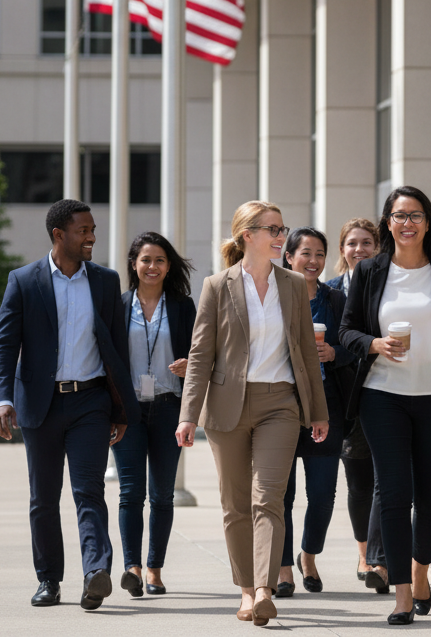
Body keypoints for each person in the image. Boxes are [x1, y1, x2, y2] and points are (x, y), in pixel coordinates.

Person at [176, 201, 329, 626]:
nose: (282, 237)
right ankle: (245, 590)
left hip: (280, 403)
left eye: (283, 229)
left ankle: (264, 588)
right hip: (227, 406)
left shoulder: (294, 284)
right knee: (235, 504)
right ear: (248, 235)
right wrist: (188, 415)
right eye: (273, 230)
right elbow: (201, 353)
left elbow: (303, 352)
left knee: (268, 498)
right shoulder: (216, 285)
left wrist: (317, 410)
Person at [339, 186, 431, 625]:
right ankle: (402, 592)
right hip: (382, 396)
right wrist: (374, 343)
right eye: (399, 216)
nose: (407, 223)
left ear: (427, 222)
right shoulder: (369, 271)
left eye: (415, 215)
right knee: (395, 494)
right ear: (388, 223)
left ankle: (422, 569)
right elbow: (347, 331)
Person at [0, 199, 139, 610]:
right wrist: (2, 398)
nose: (91, 236)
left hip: (90, 400)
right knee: (43, 497)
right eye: (83, 230)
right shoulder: (24, 281)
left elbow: (116, 350)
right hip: (40, 404)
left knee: (89, 489)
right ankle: (49, 579)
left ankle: (95, 573)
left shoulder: (106, 282)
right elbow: (4, 346)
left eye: (93, 229)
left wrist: (120, 409)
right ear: (59, 235)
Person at [114, 232, 196, 598]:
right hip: (128, 410)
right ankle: (131, 567)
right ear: (134, 263)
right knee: (130, 493)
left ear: (168, 266)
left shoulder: (181, 306)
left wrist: (190, 364)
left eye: (159, 260)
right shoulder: (118, 306)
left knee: (162, 495)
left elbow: (203, 352)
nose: (152, 266)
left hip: (167, 407)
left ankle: (154, 570)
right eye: (145, 260)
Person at [276, 227, 353, 597]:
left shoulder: (336, 299)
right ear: (288, 257)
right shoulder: (274, 296)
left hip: (326, 405)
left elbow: (355, 344)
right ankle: (284, 567)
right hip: (282, 406)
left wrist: (335, 352)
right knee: (282, 495)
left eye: (319, 254)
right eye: (305, 253)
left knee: (323, 493)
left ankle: (309, 554)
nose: (313, 260)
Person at [325, 218, 386, 591]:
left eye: (367, 243)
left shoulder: (388, 287)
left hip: (387, 391)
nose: (359, 249)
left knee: (389, 481)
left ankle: (381, 558)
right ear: (342, 250)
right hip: (348, 400)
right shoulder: (329, 292)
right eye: (352, 243)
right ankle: (365, 553)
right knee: (359, 482)